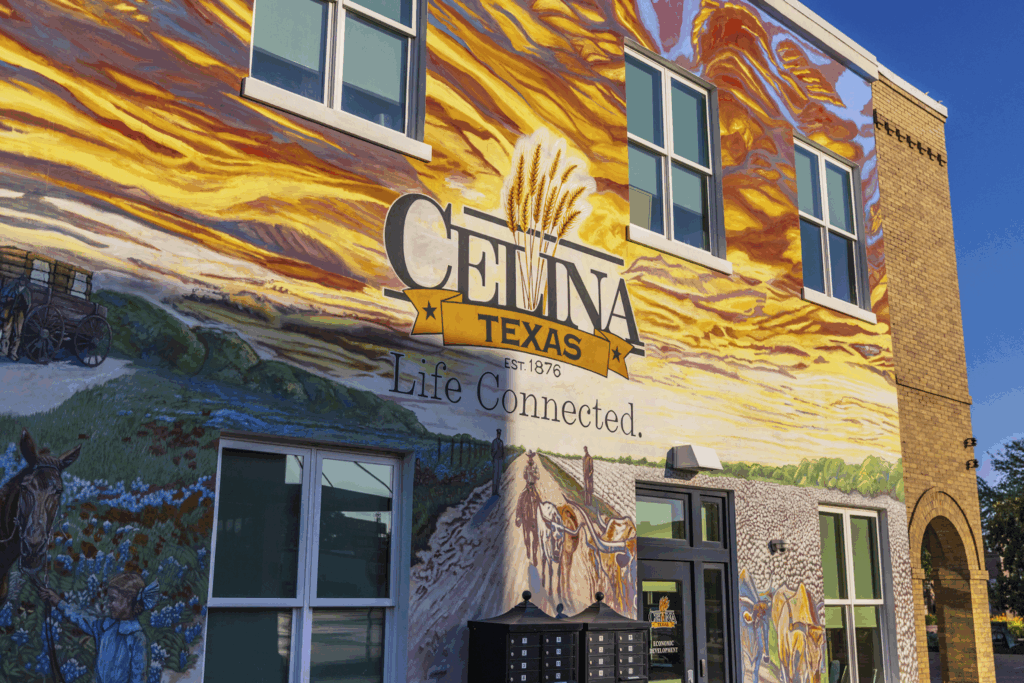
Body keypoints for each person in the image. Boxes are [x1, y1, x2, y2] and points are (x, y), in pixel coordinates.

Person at [38, 573, 160, 683]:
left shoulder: (137, 637)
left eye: (113, 599)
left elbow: (138, 678)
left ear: (128, 600)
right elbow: (81, 617)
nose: (109, 604)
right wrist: (58, 602)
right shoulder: (105, 626)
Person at [490, 429, 505, 496]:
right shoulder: (494, 441)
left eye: (499, 434)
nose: (499, 435)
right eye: (498, 434)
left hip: (500, 460)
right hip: (496, 459)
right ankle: (493, 492)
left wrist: (502, 458)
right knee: (495, 476)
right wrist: (493, 457)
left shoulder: (501, 442)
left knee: (499, 476)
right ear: (497, 434)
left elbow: (503, 451)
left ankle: (497, 491)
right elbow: (491, 451)